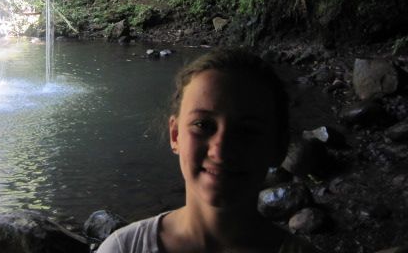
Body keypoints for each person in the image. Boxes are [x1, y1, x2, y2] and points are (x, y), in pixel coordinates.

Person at [97, 48, 321, 253]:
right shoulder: (121, 248)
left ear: (278, 146)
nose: (220, 150)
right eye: (203, 125)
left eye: (247, 130)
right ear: (175, 136)